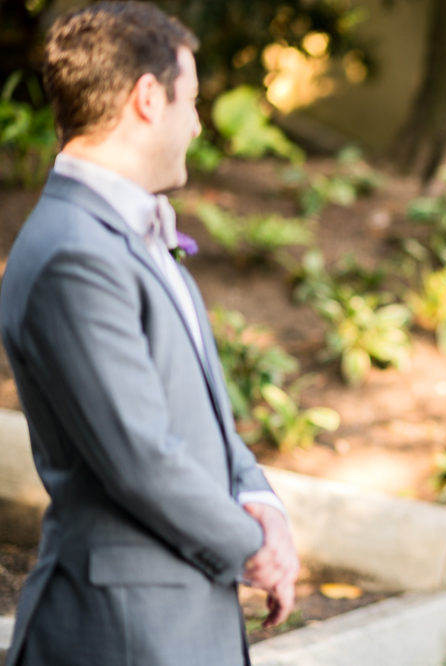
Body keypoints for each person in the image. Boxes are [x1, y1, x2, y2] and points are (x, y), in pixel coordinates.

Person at [0, 4, 299, 665]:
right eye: (189, 100)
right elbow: (141, 457)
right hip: (123, 630)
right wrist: (256, 549)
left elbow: (204, 420)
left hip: (179, 617)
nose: (196, 123)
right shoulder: (71, 254)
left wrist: (260, 501)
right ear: (146, 98)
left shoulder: (129, 237)